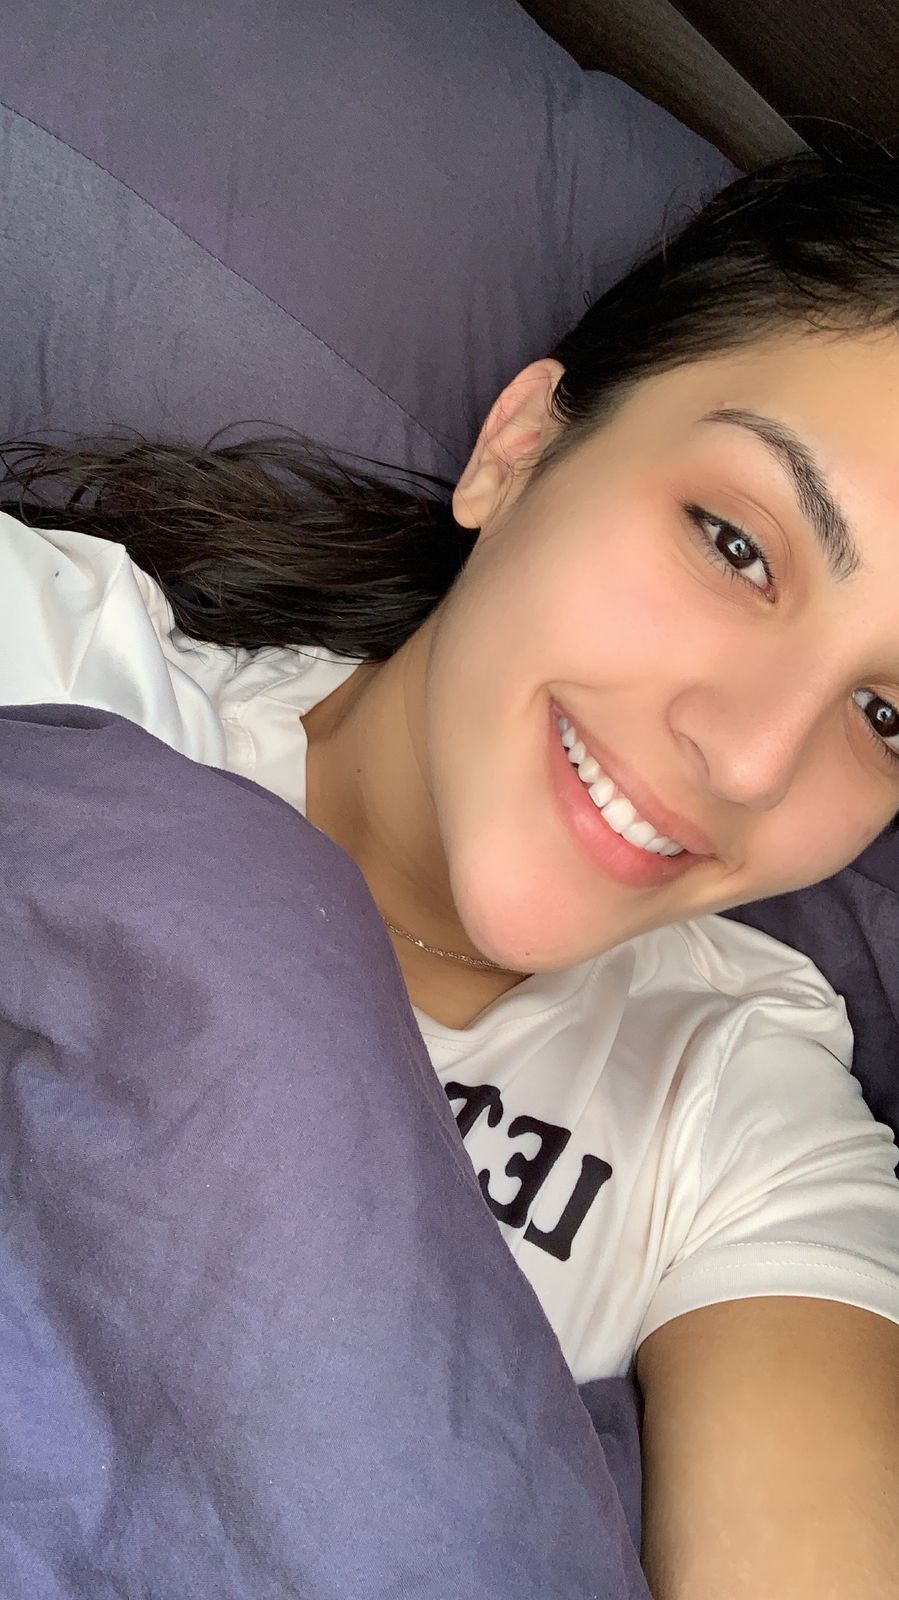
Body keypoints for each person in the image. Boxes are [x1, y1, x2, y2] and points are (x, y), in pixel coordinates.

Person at [2, 148, 899, 1592]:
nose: (749, 759)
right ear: (518, 449)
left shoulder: (746, 1113)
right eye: (737, 544)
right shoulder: (51, 657)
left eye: (887, 715)